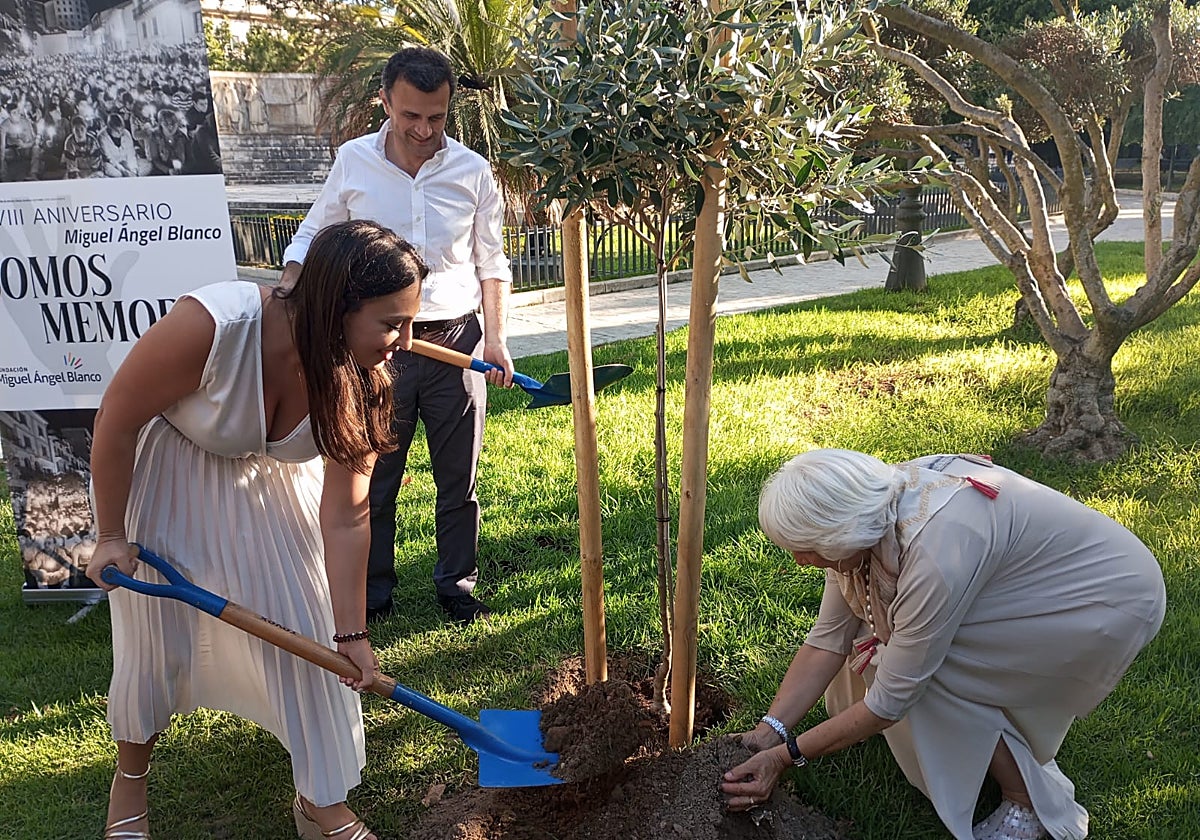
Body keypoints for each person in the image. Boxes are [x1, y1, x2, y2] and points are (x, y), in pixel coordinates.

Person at [86, 220, 427, 840]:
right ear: (335, 307)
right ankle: (130, 780)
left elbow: (348, 513)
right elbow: (117, 417)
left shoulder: (363, 377)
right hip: (172, 474)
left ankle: (320, 801)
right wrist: (111, 534)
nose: (406, 341)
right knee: (156, 643)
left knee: (310, 641)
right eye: (391, 323)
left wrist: (350, 633)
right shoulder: (213, 326)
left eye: (409, 323)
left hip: (271, 488)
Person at [721, 450, 1166, 840]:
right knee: (882, 641)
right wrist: (770, 731)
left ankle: (1026, 804)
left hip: (1097, 599)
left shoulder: (933, 555)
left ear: (841, 534)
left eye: (806, 549)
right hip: (1036, 580)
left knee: (933, 671)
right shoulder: (863, 515)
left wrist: (786, 757)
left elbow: (893, 699)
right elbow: (829, 638)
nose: (800, 561)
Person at [280, 46, 514, 626]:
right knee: (373, 476)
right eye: (411, 115)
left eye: (436, 117)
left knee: (458, 478)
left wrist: (496, 340)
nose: (423, 129)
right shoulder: (354, 162)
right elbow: (314, 233)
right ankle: (372, 592)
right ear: (384, 101)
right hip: (377, 348)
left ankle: (457, 585)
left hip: (456, 342)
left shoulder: (472, 172)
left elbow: (493, 263)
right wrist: (288, 287)